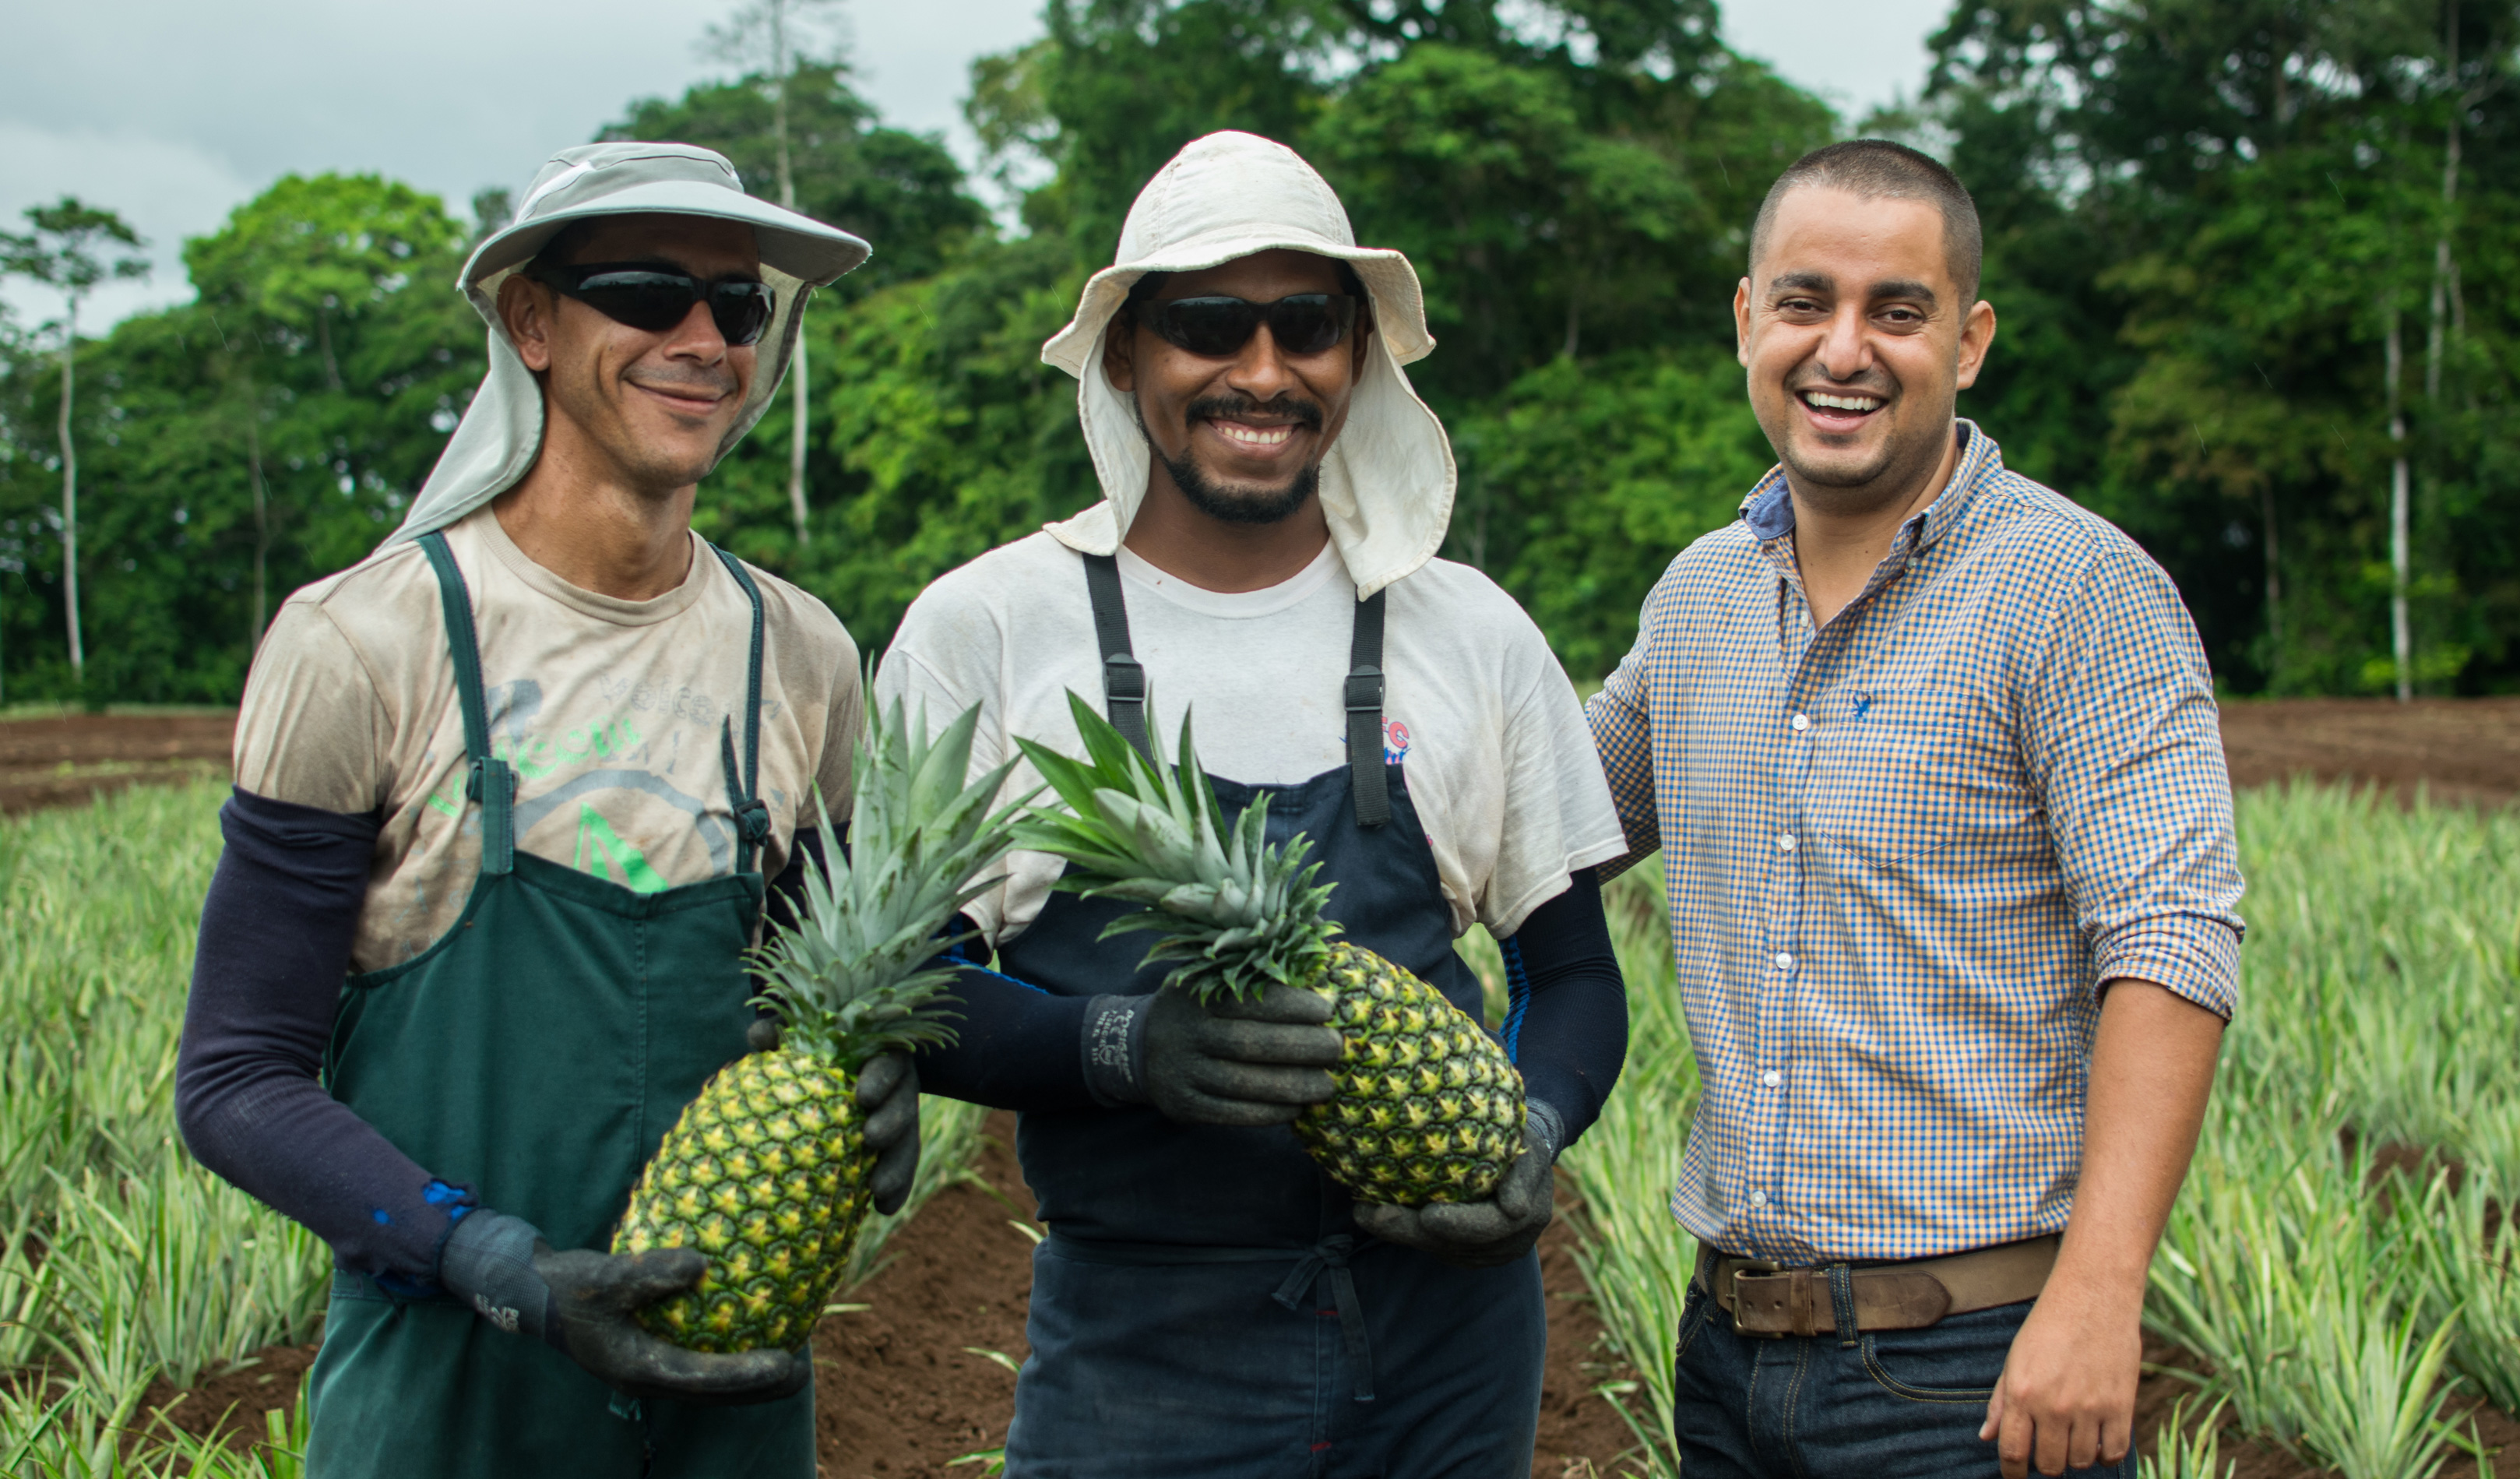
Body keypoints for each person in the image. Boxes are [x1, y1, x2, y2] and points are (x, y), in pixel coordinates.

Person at [874, 131, 1631, 1477]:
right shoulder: (989, 630)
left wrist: (1541, 1123)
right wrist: (1119, 1047)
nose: (1263, 371)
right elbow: (913, 985)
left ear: (1358, 353)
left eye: (1307, 325)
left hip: (1449, 1348)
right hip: (1139, 1344)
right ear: (1126, 355)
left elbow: (1568, 968)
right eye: (1208, 324)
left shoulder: (1468, 630)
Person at [175, 142, 921, 1478]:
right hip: (448, 1399)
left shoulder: (798, 652)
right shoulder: (365, 641)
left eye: (738, 306)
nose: (703, 339)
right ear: (530, 319)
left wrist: (882, 1076)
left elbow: (834, 990)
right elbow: (234, 1082)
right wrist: (497, 1261)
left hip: (733, 1403)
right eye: (644, 293)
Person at [1585, 139, 2245, 1479]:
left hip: (1973, 1375)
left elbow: (2170, 942)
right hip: (1725, 1351)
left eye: (1898, 311)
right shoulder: (1699, 598)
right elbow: (1547, 824)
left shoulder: (2076, 591)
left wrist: (2099, 1297)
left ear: (1970, 337)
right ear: (1746, 320)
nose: (1845, 350)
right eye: (1805, 302)